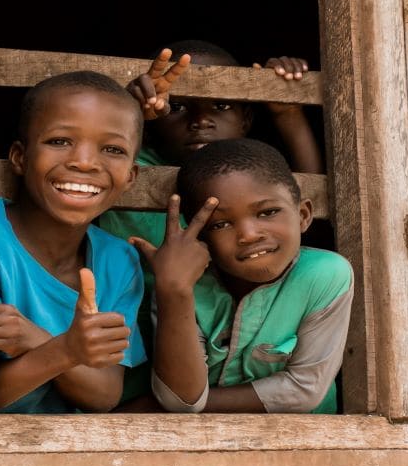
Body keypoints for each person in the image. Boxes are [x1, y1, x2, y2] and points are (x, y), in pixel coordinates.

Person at [101, 40, 320, 405]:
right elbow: (102, 157)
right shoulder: (133, 166)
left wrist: (288, 113)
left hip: (222, 351)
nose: (201, 121)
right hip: (133, 348)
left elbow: (308, 204)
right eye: (180, 107)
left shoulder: (256, 176)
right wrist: (130, 114)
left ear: (247, 119)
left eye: (221, 105)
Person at [0, 71, 146, 412]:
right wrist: (68, 352)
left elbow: (104, 395)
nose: (84, 162)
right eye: (59, 141)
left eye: (112, 149)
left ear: (130, 176)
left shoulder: (118, 261)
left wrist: (37, 340)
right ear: (19, 158)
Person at [131, 138, 351, 413]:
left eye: (268, 212)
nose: (248, 235)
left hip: (304, 443)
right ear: (199, 236)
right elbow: (181, 399)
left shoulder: (325, 274)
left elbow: (304, 390)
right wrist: (174, 289)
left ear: (303, 215)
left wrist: (163, 406)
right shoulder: (179, 284)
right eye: (220, 224)